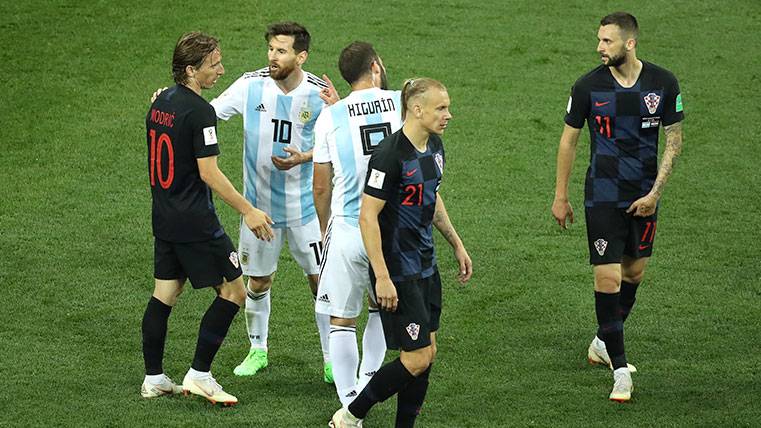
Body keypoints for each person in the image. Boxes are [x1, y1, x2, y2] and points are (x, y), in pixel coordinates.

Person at [551, 12, 684, 402]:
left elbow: (674, 142)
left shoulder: (663, 83)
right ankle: (620, 369)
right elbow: (568, 141)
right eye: (599, 40)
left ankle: (602, 341)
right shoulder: (588, 87)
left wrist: (655, 194)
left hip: (645, 195)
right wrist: (561, 195)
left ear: (630, 43)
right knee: (607, 278)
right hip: (603, 195)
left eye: (607, 41)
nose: (599, 48)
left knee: (634, 272)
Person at [141, 31, 274, 406]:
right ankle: (200, 374)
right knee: (233, 291)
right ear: (190, 70)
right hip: (196, 221)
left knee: (165, 293)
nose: (221, 70)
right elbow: (209, 174)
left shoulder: (159, 102)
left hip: (164, 216)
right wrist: (248, 210)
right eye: (213, 65)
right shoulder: (201, 112)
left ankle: (154, 378)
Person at [332, 78, 473, 428]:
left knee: (427, 353)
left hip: (425, 261)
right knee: (417, 357)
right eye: (441, 108)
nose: (448, 115)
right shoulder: (389, 155)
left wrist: (455, 243)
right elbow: (368, 216)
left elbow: (432, 197)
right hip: (398, 266)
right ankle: (349, 416)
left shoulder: (435, 146)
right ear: (417, 109)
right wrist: (381, 276)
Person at [209, 22, 334, 380]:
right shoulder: (251, 85)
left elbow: (340, 142)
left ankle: (329, 357)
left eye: (281, 51)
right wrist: (171, 103)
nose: (273, 57)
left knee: (320, 281)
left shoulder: (318, 93)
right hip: (258, 211)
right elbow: (210, 113)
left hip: (306, 211)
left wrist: (303, 157)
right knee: (259, 282)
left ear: (301, 56)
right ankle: (258, 349)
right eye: (271, 49)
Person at [312, 41, 401, 407]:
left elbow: (320, 185)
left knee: (342, 319)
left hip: (348, 226)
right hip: (393, 226)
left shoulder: (330, 118)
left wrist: (323, 228)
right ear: (376, 66)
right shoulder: (400, 102)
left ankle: (349, 400)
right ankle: (369, 379)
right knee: (382, 305)